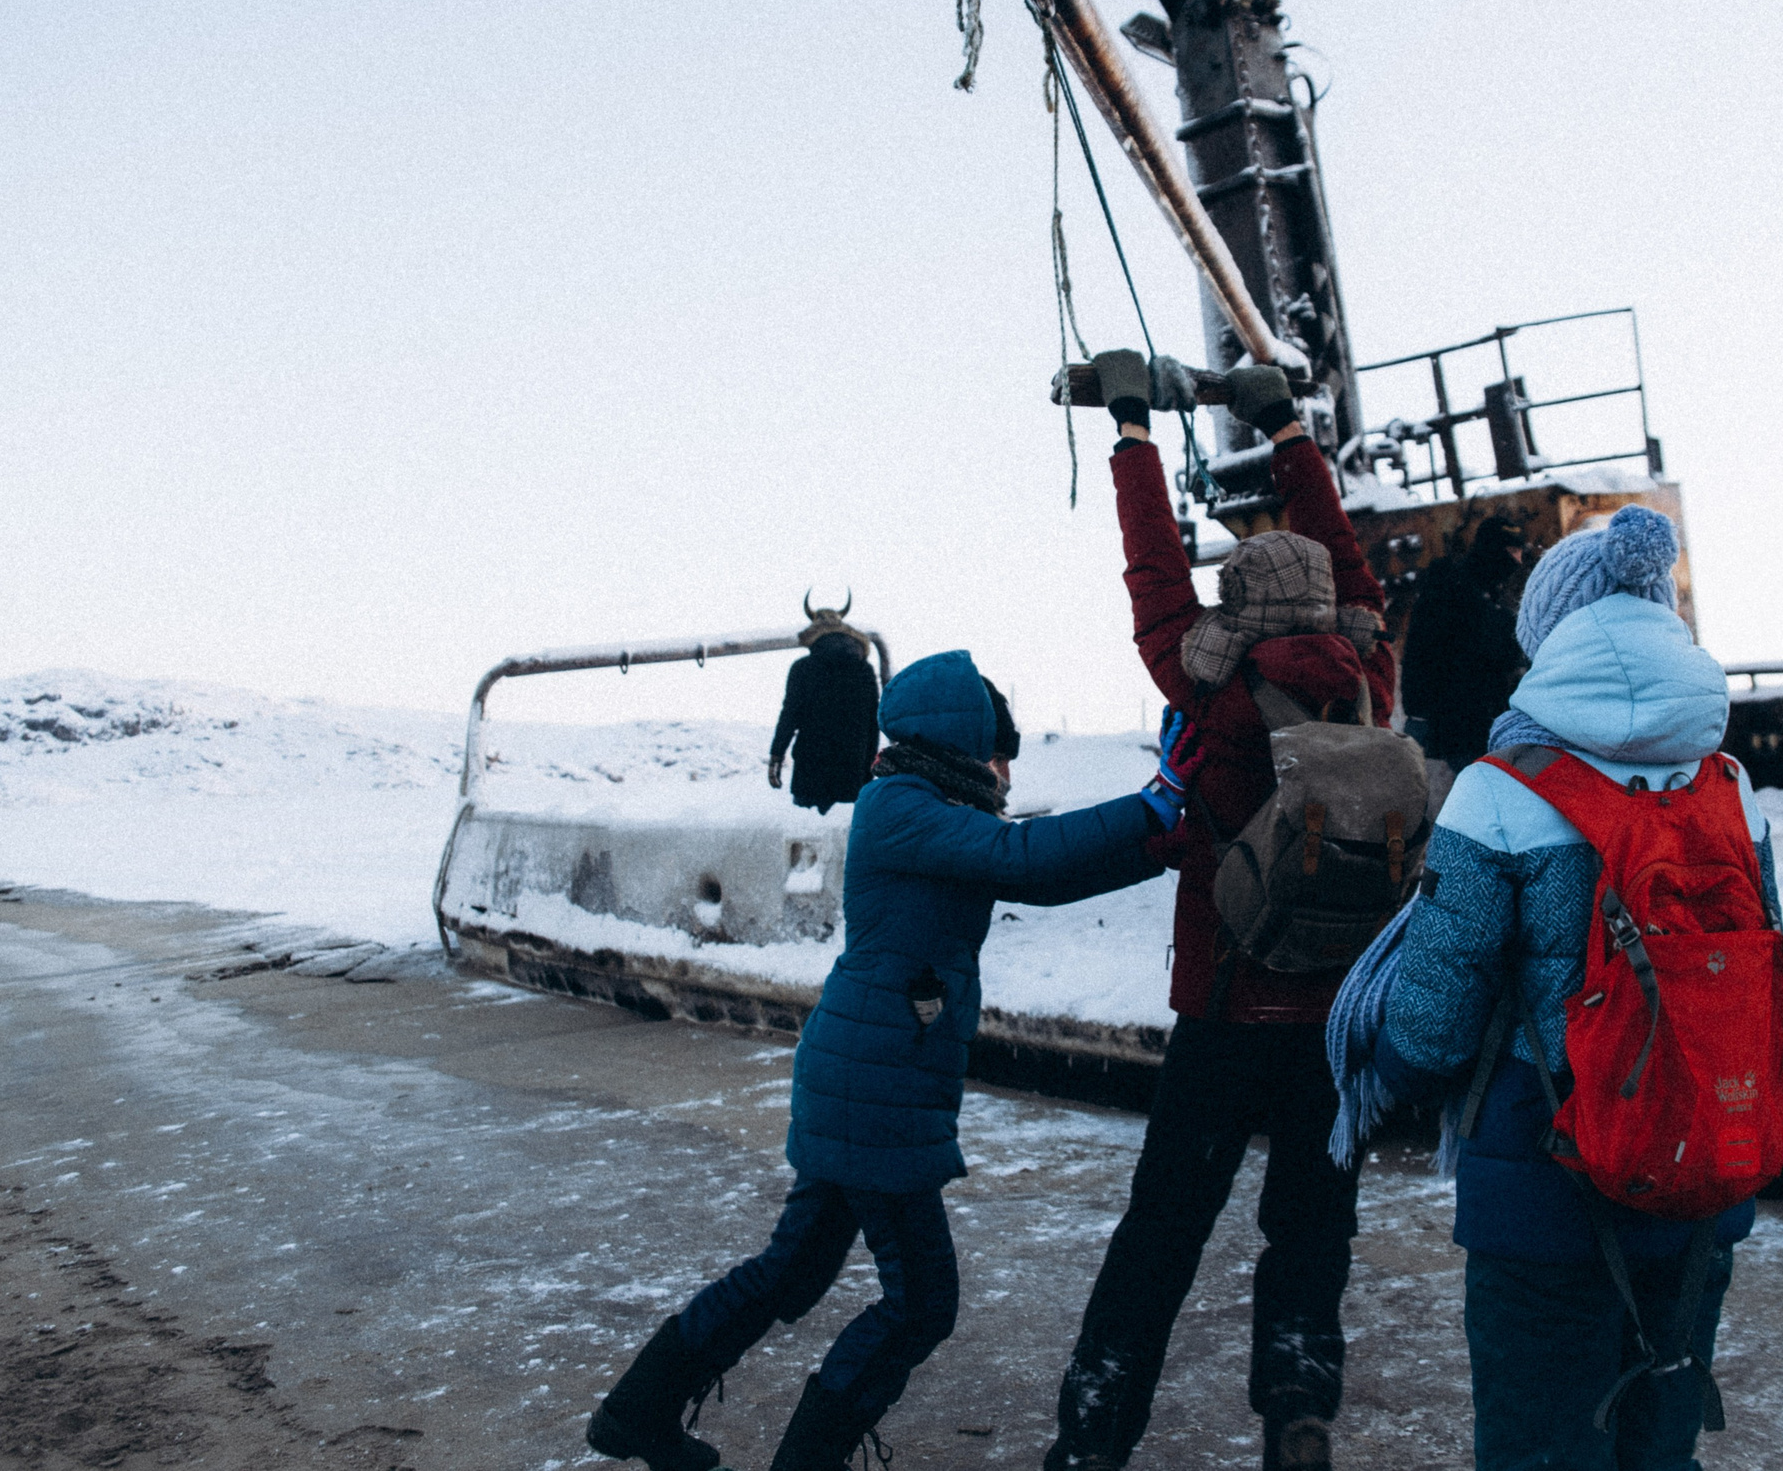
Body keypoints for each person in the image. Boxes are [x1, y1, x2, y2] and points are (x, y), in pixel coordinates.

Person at [588, 649, 1190, 1471]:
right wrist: (1155, 802)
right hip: (875, 1091)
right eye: (997, 751)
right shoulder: (902, 805)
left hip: (866, 1079)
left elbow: (1032, 874)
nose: (1005, 772)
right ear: (962, 742)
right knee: (921, 1305)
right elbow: (1023, 857)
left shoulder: (928, 808)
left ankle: (638, 1411)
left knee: (789, 1268)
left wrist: (1154, 845)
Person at [1334, 505, 1780, 1471]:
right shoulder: (1729, 782)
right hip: (1702, 1167)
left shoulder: (1502, 788)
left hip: (1545, 1194)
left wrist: (1378, 1061)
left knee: (1542, 1450)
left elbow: (1434, 1027)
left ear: (1546, 635)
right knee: (1660, 1453)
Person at [1044, 351, 1396, 1471]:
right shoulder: (1373, 673)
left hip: (1224, 1013)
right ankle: (1297, 1407)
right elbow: (1345, 557)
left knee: (1161, 1233)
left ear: (1237, 607)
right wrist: (1289, 427)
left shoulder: (1210, 686)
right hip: (1336, 1023)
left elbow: (1153, 576)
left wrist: (1134, 427)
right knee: (1310, 1230)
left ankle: (1095, 1435)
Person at [1399, 514, 1529, 773]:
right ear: (1494, 550)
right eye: (1512, 551)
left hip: (1466, 723)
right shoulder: (1456, 591)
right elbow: (1438, 656)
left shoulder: (1476, 588)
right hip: (1458, 726)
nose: (1518, 560)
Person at [769, 610, 880, 814]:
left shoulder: (803, 668)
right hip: (853, 770)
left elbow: (789, 716)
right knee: (845, 832)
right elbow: (874, 724)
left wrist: (776, 754)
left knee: (809, 833)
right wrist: (869, 769)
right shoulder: (865, 670)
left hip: (811, 769)